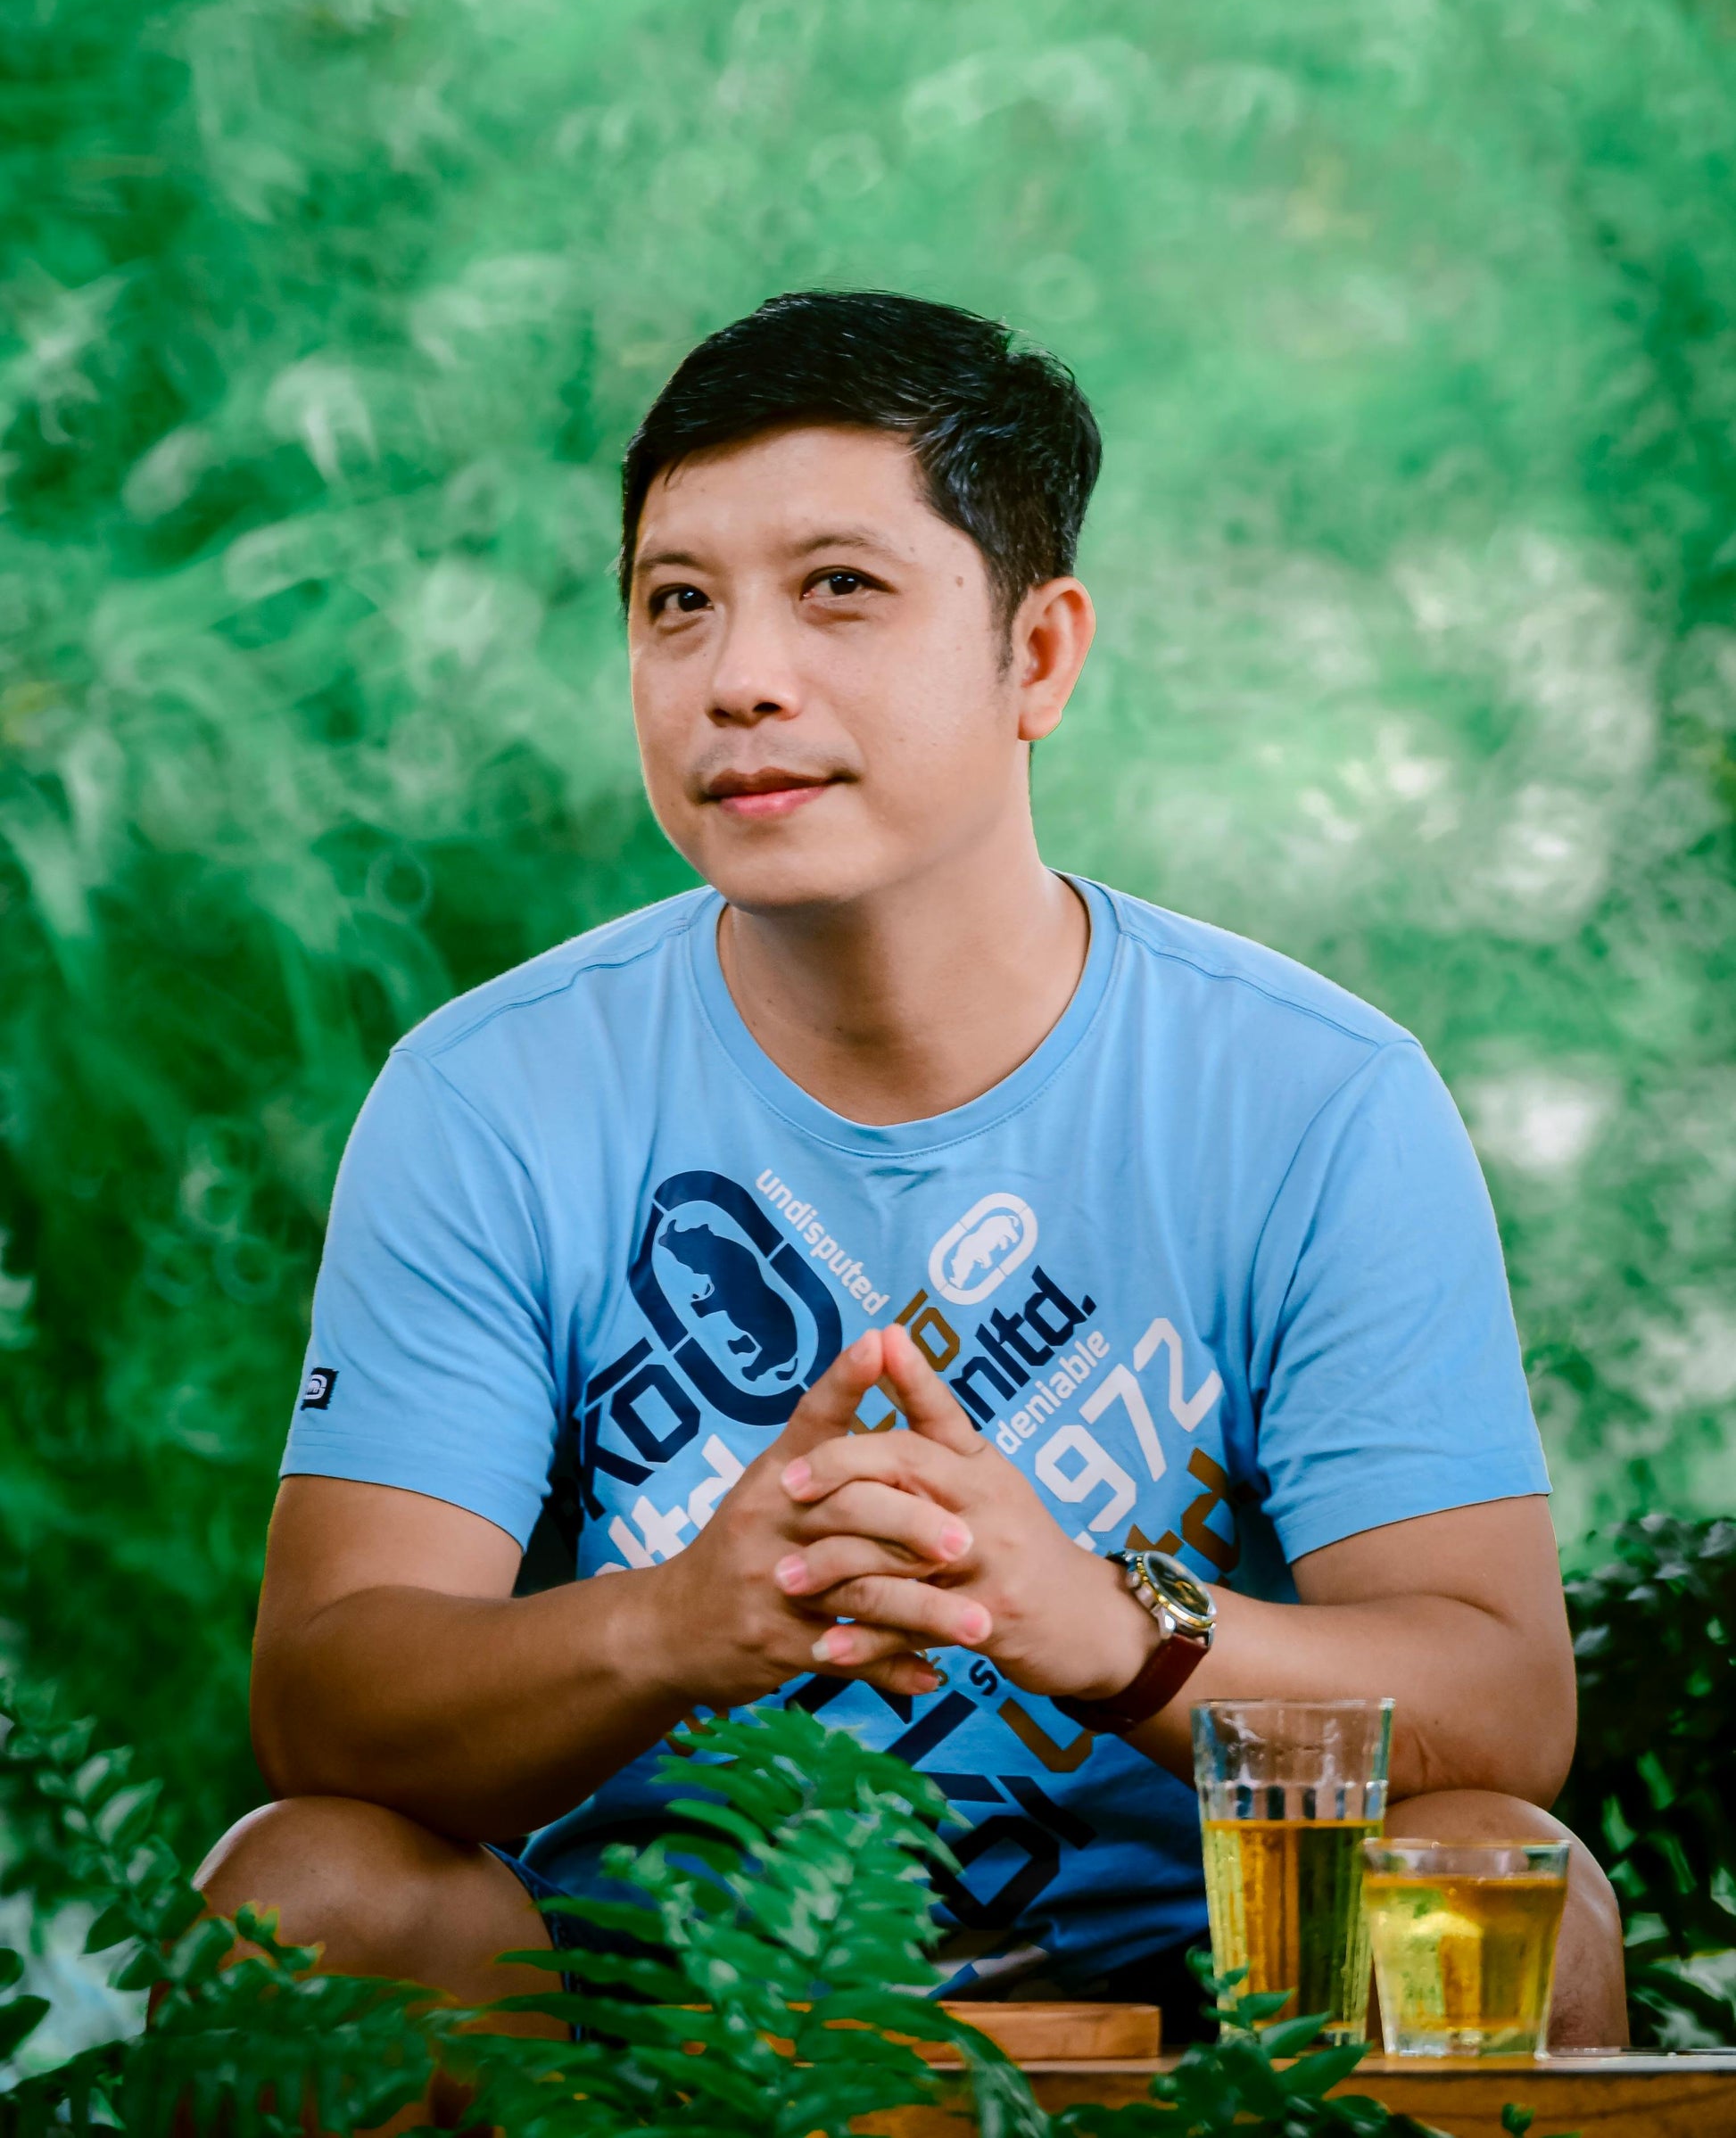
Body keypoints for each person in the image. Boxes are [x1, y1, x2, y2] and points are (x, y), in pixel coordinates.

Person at [199, 291, 1626, 2049]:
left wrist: (1115, 1622)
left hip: (1206, 2021)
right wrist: (674, 1618)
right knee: (305, 1894)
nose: (739, 675)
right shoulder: (488, 1097)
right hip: (647, 2026)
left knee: (1503, 1873)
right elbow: (329, 1694)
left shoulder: (1315, 1095)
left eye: (839, 589)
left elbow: (1502, 1698)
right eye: (677, 604)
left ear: (1037, 654)